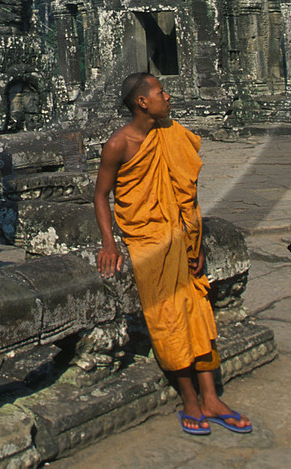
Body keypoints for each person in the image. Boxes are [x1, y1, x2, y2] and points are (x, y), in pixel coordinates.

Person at [93, 71, 252, 437]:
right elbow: (101, 195)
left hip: (182, 237)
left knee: (199, 312)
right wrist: (109, 243)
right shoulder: (119, 144)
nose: (169, 97)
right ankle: (190, 399)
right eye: (162, 92)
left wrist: (195, 243)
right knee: (169, 318)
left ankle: (211, 397)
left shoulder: (170, 133)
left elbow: (185, 191)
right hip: (148, 241)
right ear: (143, 102)